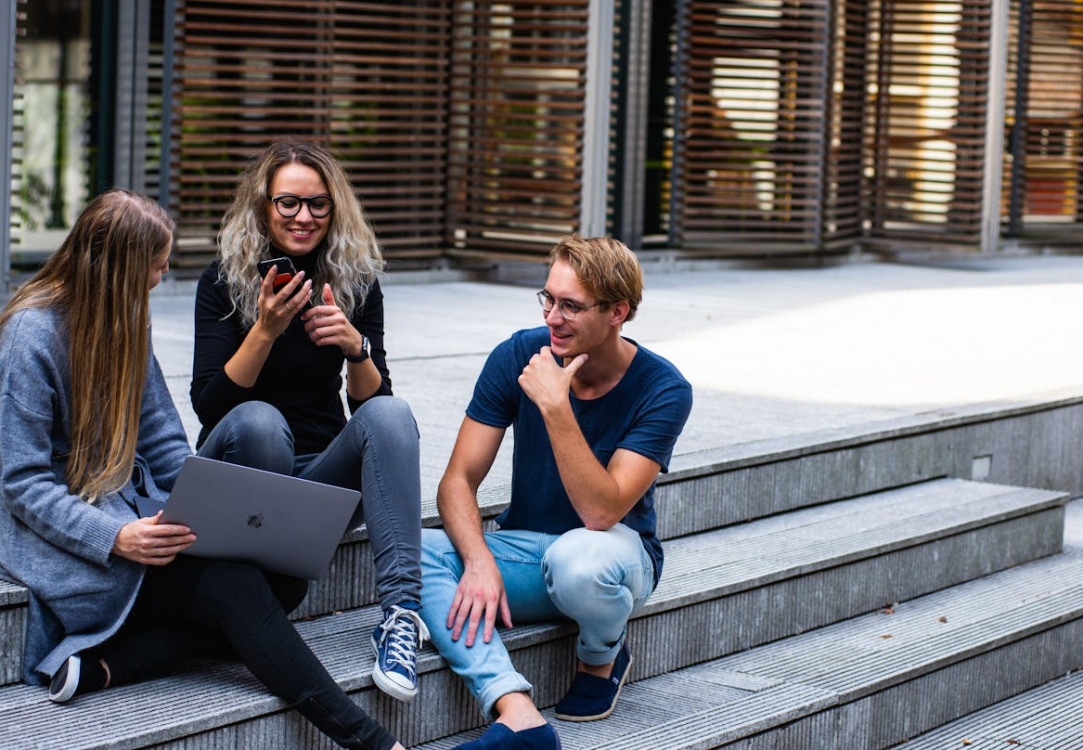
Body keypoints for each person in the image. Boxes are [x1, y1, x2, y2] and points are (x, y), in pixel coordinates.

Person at [0, 189, 407, 750]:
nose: (161, 278)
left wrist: (196, 506)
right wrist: (116, 537)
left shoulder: (124, 320)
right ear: (118, 266)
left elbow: (165, 440)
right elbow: (22, 483)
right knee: (238, 587)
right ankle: (375, 743)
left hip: (138, 515)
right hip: (76, 537)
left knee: (281, 577)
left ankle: (110, 664)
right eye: (156, 265)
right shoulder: (30, 334)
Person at [419, 235, 694, 750]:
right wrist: (478, 561)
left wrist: (556, 406)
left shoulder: (664, 389)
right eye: (548, 299)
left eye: (571, 305)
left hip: (612, 554)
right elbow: (457, 481)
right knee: (416, 552)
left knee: (579, 560)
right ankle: (514, 710)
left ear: (618, 311)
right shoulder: (519, 354)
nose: (553, 317)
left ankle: (601, 656)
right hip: (525, 548)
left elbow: (602, 510)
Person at [189, 140, 426, 702]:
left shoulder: (354, 280)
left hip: (318, 483)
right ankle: (256, 597)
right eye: (289, 203)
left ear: (335, 209)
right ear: (263, 206)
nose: (304, 217)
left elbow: (374, 410)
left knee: (393, 414)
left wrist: (355, 348)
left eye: (318, 205)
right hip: (242, 471)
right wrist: (265, 330)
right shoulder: (222, 281)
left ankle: (400, 618)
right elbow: (210, 407)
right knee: (260, 422)